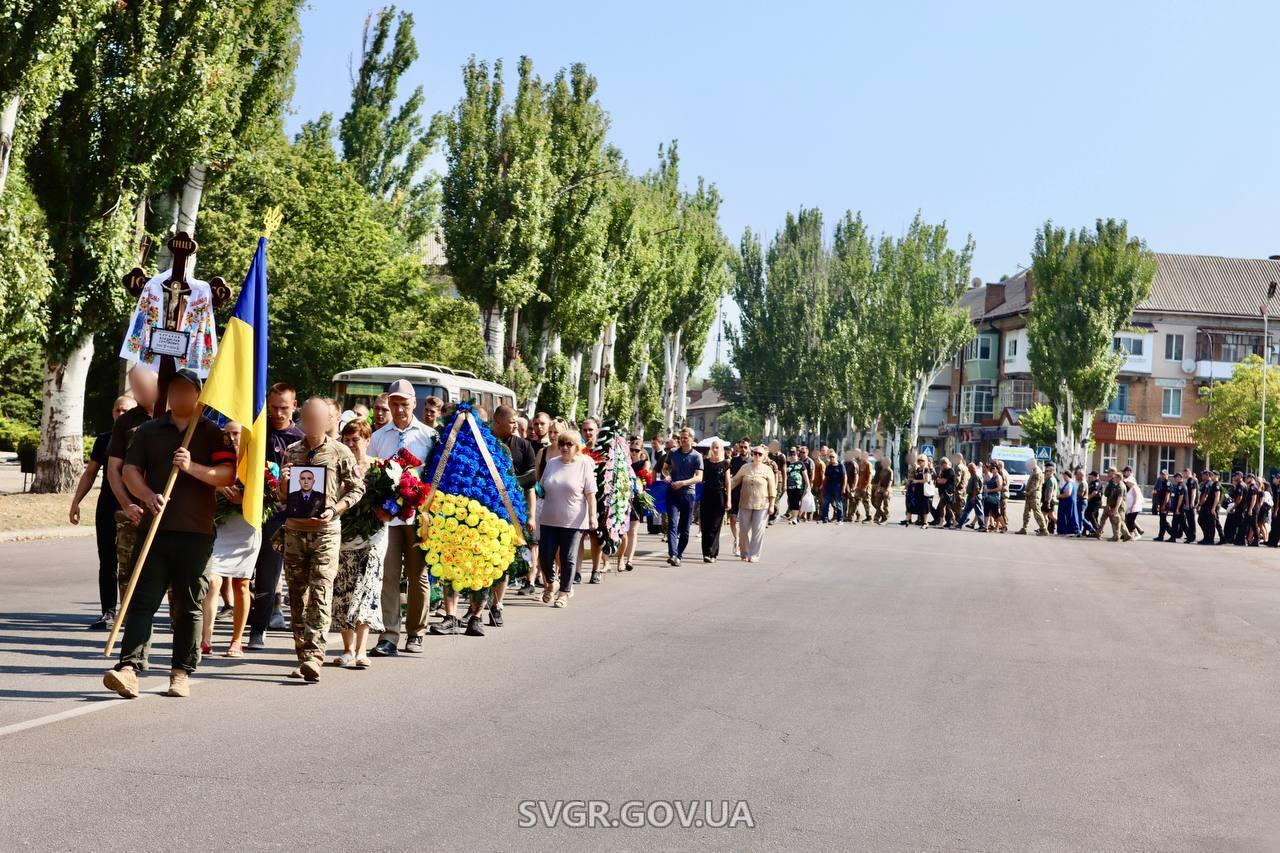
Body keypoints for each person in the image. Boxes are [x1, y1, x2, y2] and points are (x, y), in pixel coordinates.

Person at [102, 368, 236, 700]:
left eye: (186, 390)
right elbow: (130, 470)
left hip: (195, 532)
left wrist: (192, 467)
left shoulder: (211, 433)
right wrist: (146, 495)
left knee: (189, 606)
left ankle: (181, 672)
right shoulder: (149, 430)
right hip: (154, 531)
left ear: (198, 395)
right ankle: (130, 669)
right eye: (173, 390)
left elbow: (227, 474)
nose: (178, 396)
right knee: (141, 601)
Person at [278, 398, 365, 682]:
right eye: (307, 418)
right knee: (297, 597)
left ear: (328, 421)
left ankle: (316, 655)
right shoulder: (291, 452)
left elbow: (356, 489)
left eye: (317, 418)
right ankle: (303, 656)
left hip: (326, 532)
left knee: (320, 592)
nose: (311, 423)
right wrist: (282, 481)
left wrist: (335, 508)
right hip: (294, 531)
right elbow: (280, 497)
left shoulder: (340, 452)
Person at [368, 379, 437, 657]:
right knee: (389, 575)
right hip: (388, 518)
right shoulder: (379, 436)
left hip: (418, 516)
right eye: (394, 403)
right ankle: (389, 634)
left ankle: (416, 632)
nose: (398, 409)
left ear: (414, 404)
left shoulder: (428, 436)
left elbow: (436, 477)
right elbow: (371, 473)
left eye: (404, 404)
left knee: (418, 575)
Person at [70, 394, 137, 629]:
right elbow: (90, 473)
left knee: (132, 562)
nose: (121, 414)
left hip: (134, 507)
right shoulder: (104, 440)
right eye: (118, 410)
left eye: (126, 410)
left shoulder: (144, 438)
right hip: (108, 506)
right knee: (107, 560)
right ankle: (108, 611)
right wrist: (76, 502)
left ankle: (131, 612)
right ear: (112, 412)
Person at [247, 382, 304, 649]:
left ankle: (258, 629)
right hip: (248, 510)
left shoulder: (301, 440)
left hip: (280, 515)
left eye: (284, 407)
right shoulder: (257, 433)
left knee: (268, 575)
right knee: (242, 574)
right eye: (273, 408)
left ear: (294, 405)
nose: (278, 413)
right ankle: (242, 619)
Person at [330, 419, 385, 668]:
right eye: (347, 440)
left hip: (372, 539)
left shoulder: (380, 469)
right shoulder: (338, 468)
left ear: (367, 440)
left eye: (356, 440)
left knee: (366, 593)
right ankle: (347, 649)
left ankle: (362, 650)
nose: (351, 445)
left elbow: (390, 505)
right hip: (343, 538)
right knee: (343, 593)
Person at [105, 365, 158, 613]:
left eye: (142, 387)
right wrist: (127, 503)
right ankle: (128, 630)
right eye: (134, 388)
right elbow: (114, 469)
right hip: (134, 511)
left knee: (177, 581)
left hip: (171, 511)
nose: (137, 394)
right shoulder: (127, 421)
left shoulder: (176, 414)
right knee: (128, 574)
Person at [202, 421, 256, 658]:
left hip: (246, 528)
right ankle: (205, 638)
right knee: (212, 580)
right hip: (218, 528)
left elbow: (269, 496)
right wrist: (217, 485)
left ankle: (236, 640)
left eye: (237, 433)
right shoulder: (214, 461)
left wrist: (244, 497)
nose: (232, 438)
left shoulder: (255, 463)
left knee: (240, 584)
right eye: (228, 434)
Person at [536, 428, 597, 608]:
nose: (564, 447)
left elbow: (591, 493)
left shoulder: (584, 463)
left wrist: (593, 516)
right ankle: (552, 582)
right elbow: (542, 487)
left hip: (573, 520)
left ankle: (564, 592)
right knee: (545, 556)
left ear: (577, 447)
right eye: (561, 443)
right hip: (549, 517)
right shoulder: (552, 463)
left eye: (569, 444)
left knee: (567, 557)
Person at [662, 427, 704, 565]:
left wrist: (683, 483)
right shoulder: (673, 452)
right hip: (673, 492)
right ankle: (673, 554)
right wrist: (667, 476)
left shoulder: (697, 456)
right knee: (672, 524)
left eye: (685, 438)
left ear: (692, 439)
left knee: (685, 528)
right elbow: (664, 468)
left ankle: (679, 554)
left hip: (688, 495)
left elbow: (699, 477)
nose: (682, 440)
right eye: (681, 438)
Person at [731, 446, 776, 562]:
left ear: (764, 456)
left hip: (762, 504)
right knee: (744, 530)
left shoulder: (767, 470)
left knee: (758, 530)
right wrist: (725, 488)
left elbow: (772, 488)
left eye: (760, 454)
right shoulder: (745, 467)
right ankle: (744, 553)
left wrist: (772, 504)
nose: (757, 456)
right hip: (745, 503)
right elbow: (735, 480)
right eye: (755, 453)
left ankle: (754, 554)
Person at [615, 439, 651, 573]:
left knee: (633, 531)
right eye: (632, 449)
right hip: (623, 497)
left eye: (637, 450)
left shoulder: (644, 463)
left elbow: (645, 477)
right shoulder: (624, 462)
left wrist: (640, 478)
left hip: (637, 498)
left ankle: (630, 559)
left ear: (641, 451)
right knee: (622, 531)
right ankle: (621, 558)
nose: (634, 452)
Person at [700, 440, 731, 560]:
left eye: (717, 447)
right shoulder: (705, 462)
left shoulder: (725, 464)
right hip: (706, 494)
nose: (715, 449)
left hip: (719, 495)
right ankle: (706, 553)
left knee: (715, 525)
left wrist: (729, 500)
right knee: (705, 525)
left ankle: (713, 553)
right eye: (713, 447)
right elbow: (699, 478)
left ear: (721, 449)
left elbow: (728, 482)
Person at [727, 438, 751, 554]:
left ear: (749, 447)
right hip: (735, 493)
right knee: (733, 519)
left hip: (747, 494)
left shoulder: (752, 461)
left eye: (745, 447)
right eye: (741, 447)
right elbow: (729, 476)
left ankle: (743, 541)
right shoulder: (734, 460)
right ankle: (736, 539)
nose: (743, 449)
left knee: (746, 521)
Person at [1016, 461, 1047, 535]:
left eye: (1028, 465)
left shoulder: (1037, 472)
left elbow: (1035, 486)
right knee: (1026, 513)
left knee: (1037, 512)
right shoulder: (1034, 471)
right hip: (1030, 496)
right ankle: (1024, 528)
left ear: (1032, 464)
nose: (1028, 466)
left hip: (1034, 496)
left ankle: (1044, 529)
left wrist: (1028, 492)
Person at [1100, 468, 1128, 542]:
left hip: (1119, 506)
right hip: (1113, 505)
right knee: (1118, 521)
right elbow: (1108, 495)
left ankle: (1117, 537)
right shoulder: (1114, 484)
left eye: (1115, 477)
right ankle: (1126, 535)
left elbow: (1120, 498)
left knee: (1118, 521)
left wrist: (1116, 508)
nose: (1108, 474)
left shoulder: (1120, 486)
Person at [822, 448, 847, 524]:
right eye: (830, 457)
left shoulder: (841, 466)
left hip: (837, 486)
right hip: (828, 487)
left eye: (833, 457)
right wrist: (823, 487)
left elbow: (845, 477)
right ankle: (825, 519)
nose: (831, 458)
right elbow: (825, 478)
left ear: (836, 458)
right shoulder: (828, 467)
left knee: (838, 503)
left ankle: (840, 519)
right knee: (826, 503)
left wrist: (843, 488)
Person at [784, 448, 808, 525]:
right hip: (789, 486)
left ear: (797, 455)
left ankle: (795, 518)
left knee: (796, 502)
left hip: (799, 486)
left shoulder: (801, 464)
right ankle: (793, 517)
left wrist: (808, 485)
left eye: (794, 454)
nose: (792, 456)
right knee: (790, 502)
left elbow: (805, 475)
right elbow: (785, 475)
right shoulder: (787, 464)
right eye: (791, 454)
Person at [957, 462, 984, 530]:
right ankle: (960, 524)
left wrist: (974, 497)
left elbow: (976, 488)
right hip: (971, 496)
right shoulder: (973, 475)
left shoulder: (976, 476)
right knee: (966, 511)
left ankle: (982, 525)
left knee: (978, 511)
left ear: (972, 469)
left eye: (969, 468)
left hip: (975, 496)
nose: (968, 470)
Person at [931, 457, 955, 528]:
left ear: (945, 464)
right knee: (947, 508)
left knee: (943, 507)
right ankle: (954, 521)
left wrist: (939, 480)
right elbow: (939, 480)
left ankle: (942, 522)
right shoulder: (944, 471)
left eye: (941, 464)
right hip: (944, 492)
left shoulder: (950, 471)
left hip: (947, 492)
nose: (941, 466)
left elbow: (943, 481)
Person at [1057, 469, 1081, 536]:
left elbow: (1068, 493)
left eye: (1064, 476)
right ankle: (1073, 530)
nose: (1063, 477)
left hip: (1067, 502)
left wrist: (1059, 496)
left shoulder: (1069, 483)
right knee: (1071, 515)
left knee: (1068, 516)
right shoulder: (1072, 483)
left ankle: (1070, 530)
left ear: (1066, 475)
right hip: (1069, 502)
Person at [1198, 470, 1219, 545]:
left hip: (1207, 506)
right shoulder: (1206, 483)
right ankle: (1206, 537)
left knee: (1208, 523)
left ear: (1207, 475)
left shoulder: (1209, 484)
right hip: (1206, 506)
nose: (1202, 476)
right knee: (1203, 521)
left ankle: (1209, 539)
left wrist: (1200, 505)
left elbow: (1205, 496)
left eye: (1203, 475)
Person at [871, 458, 892, 525]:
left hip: (886, 489)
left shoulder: (890, 471)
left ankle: (885, 519)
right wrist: (877, 489)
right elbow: (880, 480)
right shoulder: (882, 470)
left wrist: (887, 490)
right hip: (881, 488)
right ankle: (879, 517)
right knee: (877, 504)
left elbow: (890, 481)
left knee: (885, 505)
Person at [1123, 473, 1143, 540]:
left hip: (1134, 508)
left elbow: (1136, 497)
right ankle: (1133, 535)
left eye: (1128, 482)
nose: (1127, 483)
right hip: (1131, 508)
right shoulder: (1132, 488)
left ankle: (1135, 534)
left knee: (1130, 521)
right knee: (1129, 521)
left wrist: (1133, 506)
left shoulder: (1134, 488)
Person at [1042, 464, 1058, 534]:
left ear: (1052, 471)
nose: (1046, 472)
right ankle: (1044, 528)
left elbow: (1050, 492)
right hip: (1050, 500)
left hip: (1049, 500)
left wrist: (1048, 502)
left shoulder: (1051, 480)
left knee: (1048, 515)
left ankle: (1044, 529)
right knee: (1047, 515)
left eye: (1047, 471)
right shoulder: (1052, 479)